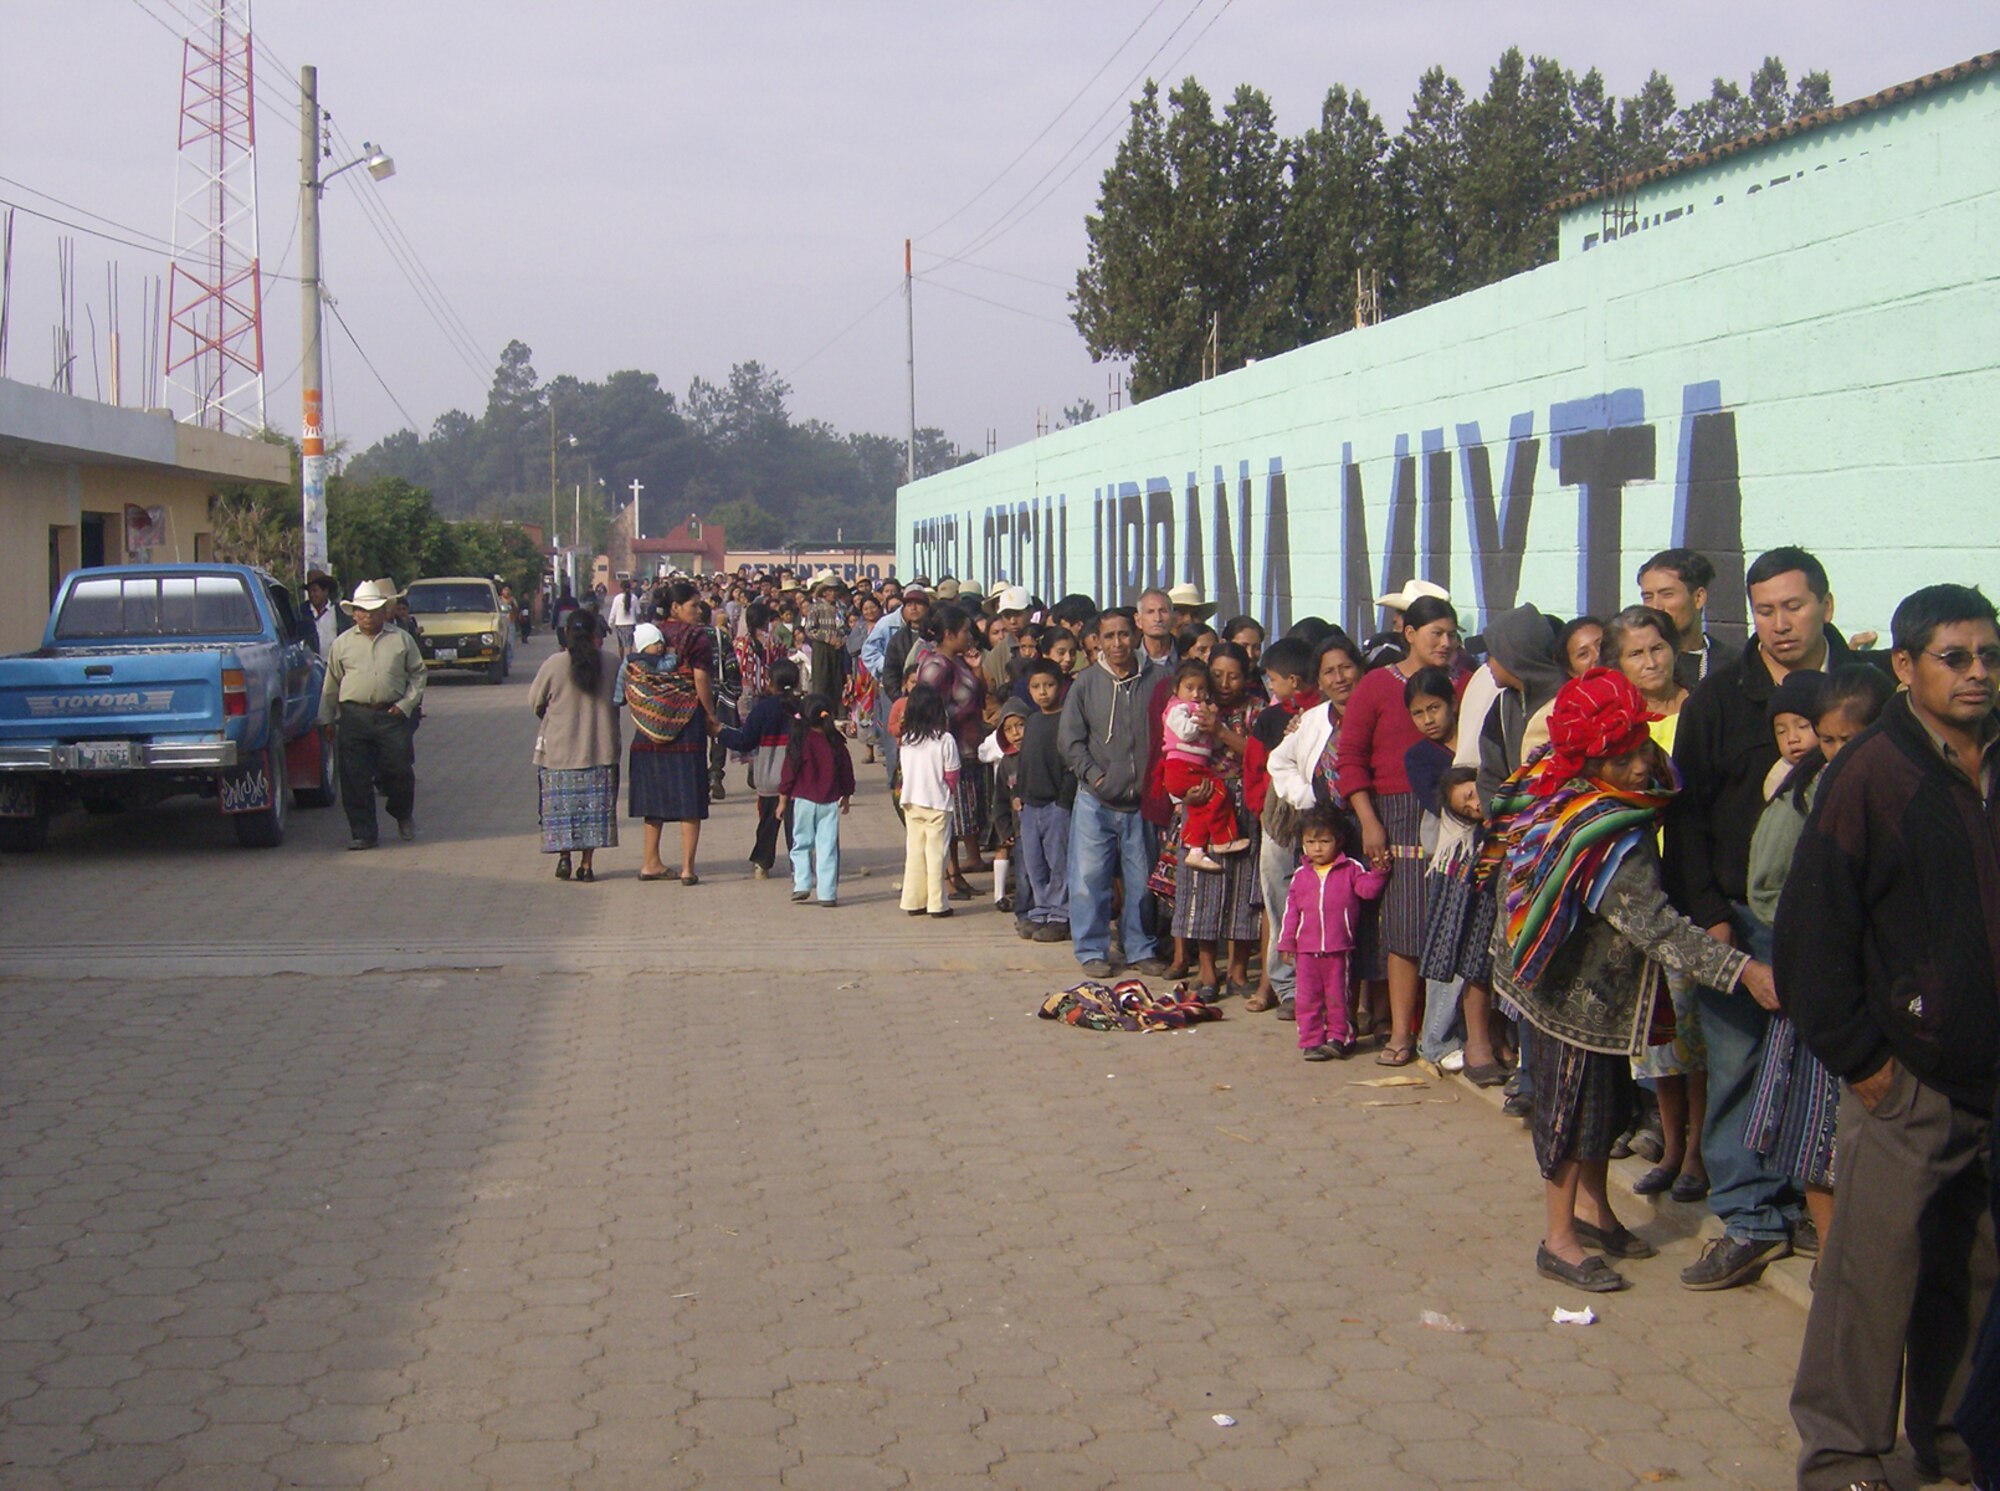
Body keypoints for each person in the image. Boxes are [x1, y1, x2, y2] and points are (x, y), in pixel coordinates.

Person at [1781, 584, 2000, 1491]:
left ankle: (1952, 1436)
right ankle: (1841, 1452)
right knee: (1871, 1276)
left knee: (1974, 1273)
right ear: (1906, 668)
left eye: (1989, 655)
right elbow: (1810, 937)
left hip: (1989, 1076)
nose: (1979, 673)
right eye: (1957, 657)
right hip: (1902, 1077)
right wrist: (1866, 1064)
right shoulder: (1873, 772)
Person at [1483, 668, 1776, 1294]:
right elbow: (1657, 926)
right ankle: (1557, 1238)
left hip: (1600, 992)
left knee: (1603, 1106)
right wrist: (1744, 972)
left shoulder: (1560, 777)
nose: (1642, 765)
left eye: (1641, 747)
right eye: (1624, 756)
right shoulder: (1603, 828)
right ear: (1592, 759)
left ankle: (1593, 1211)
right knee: (1566, 1113)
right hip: (1565, 990)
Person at [1667, 545, 1864, 1290]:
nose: (1781, 624)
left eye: (1795, 606)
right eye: (1766, 610)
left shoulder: (1864, 693)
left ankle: (1828, 1213)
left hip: (1846, 926)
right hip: (1745, 921)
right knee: (1739, 1065)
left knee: (1831, 1071)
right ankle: (1748, 1215)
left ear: (1827, 606)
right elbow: (1685, 819)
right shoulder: (1720, 699)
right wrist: (1711, 916)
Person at [1742, 666, 1894, 1272]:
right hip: (1826, 991)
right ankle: (1834, 1269)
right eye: (1826, 739)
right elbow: (1767, 888)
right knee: (1818, 1141)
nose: (1836, 752)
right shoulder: (1805, 794)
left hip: (1887, 993)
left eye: (1849, 739)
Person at [1602, 604, 1707, 1198]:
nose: (1650, 661)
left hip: (1684, 885)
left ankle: (1697, 1154)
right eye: (1636, 653)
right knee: (1658, 1034)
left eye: (1658, 648)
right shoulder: (1616, 725)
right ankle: (1669, 1144)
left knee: (1694, 1032)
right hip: (1636, 886)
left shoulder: (1697, 712)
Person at [1336, 594, 1462, 1065]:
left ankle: (1443, 1034)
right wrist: (1369, 821)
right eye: (1437, 634)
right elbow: (1351, 759)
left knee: (1450, 927)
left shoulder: (1463, 683)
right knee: (1405, 930)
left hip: (1454, 812)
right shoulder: (1375, 686)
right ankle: (1401, 1035)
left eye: (1452, 635)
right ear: (1409, 633)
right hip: (1395, 816)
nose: (1446, 643)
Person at [1060, 609, 1171, 979]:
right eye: (1109, 637)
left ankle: (1139, 948)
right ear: (1098, 641)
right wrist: (1095, 777)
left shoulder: (1159, 680)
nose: (1117, 643)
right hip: (1096, 801)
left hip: (1141, 802)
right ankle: (1092, 950)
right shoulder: (1086, 683)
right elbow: (1070, 741)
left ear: (1135, 635)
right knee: (1089, 880)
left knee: (1141, 882)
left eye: (1124, 634)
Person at [1173, 643, 1262, 1000]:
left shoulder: (1257, 709)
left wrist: (1222, 731)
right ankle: (1208, 971)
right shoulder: (1191, 706)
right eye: (1218, 675)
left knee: (1243, 887)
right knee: (1202, 886)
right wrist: (1182, 794)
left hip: (1245, 800)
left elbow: (1261, 755)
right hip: (1202, 800)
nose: (1225, 683)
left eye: (1234, 675)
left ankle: (1238, 971)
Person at [623, 582, 722, 885]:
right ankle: (687, 868)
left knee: (653, 793)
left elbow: (635, 669)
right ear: (676, 607)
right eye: (693, 605)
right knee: (689, 793)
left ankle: (650, 861)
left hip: (648, 723)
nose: (699, 610)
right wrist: (710, 715)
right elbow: (701, 678)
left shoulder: (648, 634)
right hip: (686, 720)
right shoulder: (697, 638)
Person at [317, 579, 425, 850]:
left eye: (373, 610)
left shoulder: (401, 639)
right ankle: (363, 832)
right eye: (361, 611)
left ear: (383, 611)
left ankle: (401, 812)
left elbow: (418, 674)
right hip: (354, 716)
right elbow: (331, 684)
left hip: (391, 714)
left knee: (399, 770)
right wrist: (327, 719)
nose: (367, 616)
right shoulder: (342, 645)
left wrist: (406, 704)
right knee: (354, 776)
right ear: (353, 613)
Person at [1243, 639, 1319, 1014]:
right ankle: (1284, 986)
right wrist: (1264, 812)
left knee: (1314, 907)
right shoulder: (1272, 719)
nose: (1270, 687)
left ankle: (1310, 987)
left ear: (1293, 679)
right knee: (1278, 904)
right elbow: (1255, 768)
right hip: (1276, 824)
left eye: (1273, 680)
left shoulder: (1322, 714)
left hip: (1317, 825)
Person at [1279, 805, 1388, 1061]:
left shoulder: (1350, 868)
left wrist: (1379, 871)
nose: (1317, 848)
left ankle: (1339, 1038)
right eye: (1311, 842)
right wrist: (1286, 943)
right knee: (1307, 999)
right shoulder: (1300, 876)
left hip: (1339, 950)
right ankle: (1311, 1040)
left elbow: (1367, 891)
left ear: (1338, 841)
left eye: (1324, 841)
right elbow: (1291, 913)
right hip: (1306, 952)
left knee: (1338, 997)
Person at [529, 610, 621, 882]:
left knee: (563, 810)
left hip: (559, 752)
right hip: (600, 750)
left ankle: (564, 857)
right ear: (597, 635)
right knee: (593, 812)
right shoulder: (613, 663)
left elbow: (535, 701)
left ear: (567, 634)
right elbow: (623, 699)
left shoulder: (554, 664)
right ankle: (586, 865)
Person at [913, 604, 990, 900]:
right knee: (950, 816)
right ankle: (946, 875)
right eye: (965, 631)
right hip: (950, 751)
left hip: (969, 748)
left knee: (963, 816)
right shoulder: (936, 666)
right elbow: (929, 710)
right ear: (948, 634)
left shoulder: (957, 662)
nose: (970, 636)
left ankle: (955, 874)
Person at [1159, 659, 1250, 873]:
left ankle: (1196, 850)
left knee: (1202, 807)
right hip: (1181, 768)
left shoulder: (1203, 710)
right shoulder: (1178, 708)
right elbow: (1186, 732)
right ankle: (1222, 838)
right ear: (1176, 688)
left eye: (1201, 689)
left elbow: (1216, 742)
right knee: (1217, 792)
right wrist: (1201, 719)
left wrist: (1215, 724)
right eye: (1189, 688)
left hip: (1194, 768)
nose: (1195, 694)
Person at [718, 658, 802, 879]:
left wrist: (720, 732)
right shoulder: (803, 707)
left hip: (768, 777)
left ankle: (762, 863)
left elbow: (745, 741)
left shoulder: (763, 709)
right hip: (798, 779)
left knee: (768, 822)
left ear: (770, 683)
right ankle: (799, 867)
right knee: (797, 825)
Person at [1016, 659, 1075, 944]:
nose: (1043, 692)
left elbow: (1071, 766)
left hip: (1055, 806)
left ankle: (1060, 915)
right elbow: (1025, 762)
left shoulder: (1066, 722)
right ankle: (1040, 910)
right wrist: (1019, 795)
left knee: (1058, 863)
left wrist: (1064, 802)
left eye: (1049, 685)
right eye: (1036, 687)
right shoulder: (1034, 720)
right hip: (1030, 805)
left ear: (1061, 687)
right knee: (1034, 863)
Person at [777, 692, 853, 907]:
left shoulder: (800, 741)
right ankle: (827, 893)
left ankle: (802, 883)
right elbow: (846, 770)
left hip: (803, 801)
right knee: (827, 848)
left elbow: (788, 773)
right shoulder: (836, 741)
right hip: (829, 802)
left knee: (801, 844)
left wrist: (782, 801)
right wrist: (846, 795)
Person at [898, 684, 960, 918]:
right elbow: (952, 774)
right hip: (938, 803)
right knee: (937, 855)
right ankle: (937, 903)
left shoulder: (907, 739)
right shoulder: (945, 740)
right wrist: (950, 792)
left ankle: (913, 901)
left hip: (912, 801)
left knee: (914, 852)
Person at [1637, 548, 1719, 691]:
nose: (1657, 607)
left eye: (1667, 594)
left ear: (1698, 598)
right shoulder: (1633, 664)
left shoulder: (1733, 665)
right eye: (1648, 597)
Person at [981, 699, 1031, 919]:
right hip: (1020, 831)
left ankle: (1049, 913)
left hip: (1047, 826)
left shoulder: (1041, 754)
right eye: (1009, 729)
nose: (1016, 733)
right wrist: (1005, 829)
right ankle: (1025, 914)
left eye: (1021, 725)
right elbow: (1000, 800)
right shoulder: (1007, 764)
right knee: (1024, 874)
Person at [1136, 587, 1178, 669]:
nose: (1158, 618)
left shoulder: (1186, 654)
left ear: (1173, 617)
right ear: (1138, 620)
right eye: (1150, 612)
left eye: (1163, 611)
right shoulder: (1129, 658)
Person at [304, 571, 339, 656]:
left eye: (315, 591)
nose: (312, 595)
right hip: (312, 666)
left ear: (325, 591)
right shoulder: (301, 613)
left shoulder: (338, 612)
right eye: (309, 591)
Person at [606, 578, 639, 652]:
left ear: (621, 588)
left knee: (621, 645)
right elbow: (638, 611)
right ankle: (628, 661)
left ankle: (621, 660)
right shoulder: (634, 598)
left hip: (620, 624)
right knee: (629, 645)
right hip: (631, 624)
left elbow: (613, 612)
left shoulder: (617, 598)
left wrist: (610, 624)